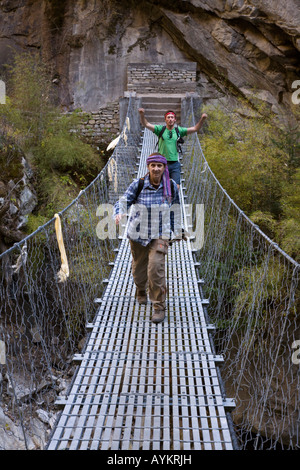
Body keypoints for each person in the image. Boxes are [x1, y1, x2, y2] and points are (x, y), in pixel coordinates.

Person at [114, 153, 183, 324]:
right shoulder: (138, 184)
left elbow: (176, 207)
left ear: (164, 168)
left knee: (155, 269)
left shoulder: (172, 186)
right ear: (148, 167)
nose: (156, 169)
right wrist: (119, 212)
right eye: (153, 165)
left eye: (159, 166)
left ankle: (159, 306)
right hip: (138, 234)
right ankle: (140, 289)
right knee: (139, 269)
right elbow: (123, 201)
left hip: (160, 233)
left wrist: (177, 229)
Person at [138, 108, 207, 187]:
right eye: (168, 117)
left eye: (172, 117)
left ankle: (173, 199)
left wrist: (202, 119)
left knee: (176, 186)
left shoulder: (179, 131)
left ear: (175, 120)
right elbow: (146, 124)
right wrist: (142, 114)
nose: (170, 119)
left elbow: (195, 129)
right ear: (165, 120)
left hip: (174, 164)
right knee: (160, 186)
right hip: (162, 164)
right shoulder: (160, 129)